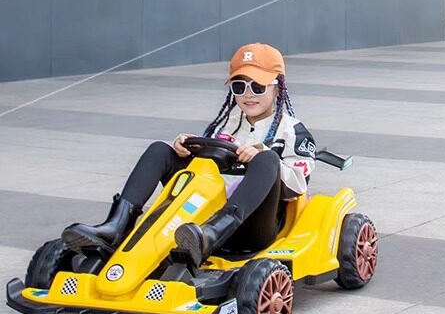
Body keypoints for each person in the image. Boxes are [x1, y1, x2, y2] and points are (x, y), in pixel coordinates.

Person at [62, 43, 316, 265]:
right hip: (201, 219)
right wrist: (187, 149)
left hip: (252, 226)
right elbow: (207, 170)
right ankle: (117, 226)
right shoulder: (226, 124)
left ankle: (214, 234)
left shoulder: (292, 131)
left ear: (277, 88)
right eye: (239, 86)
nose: (248, 94)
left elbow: (298, 186)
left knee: (267, 159)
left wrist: (262, 154)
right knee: (160, 150)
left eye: (258, 87)